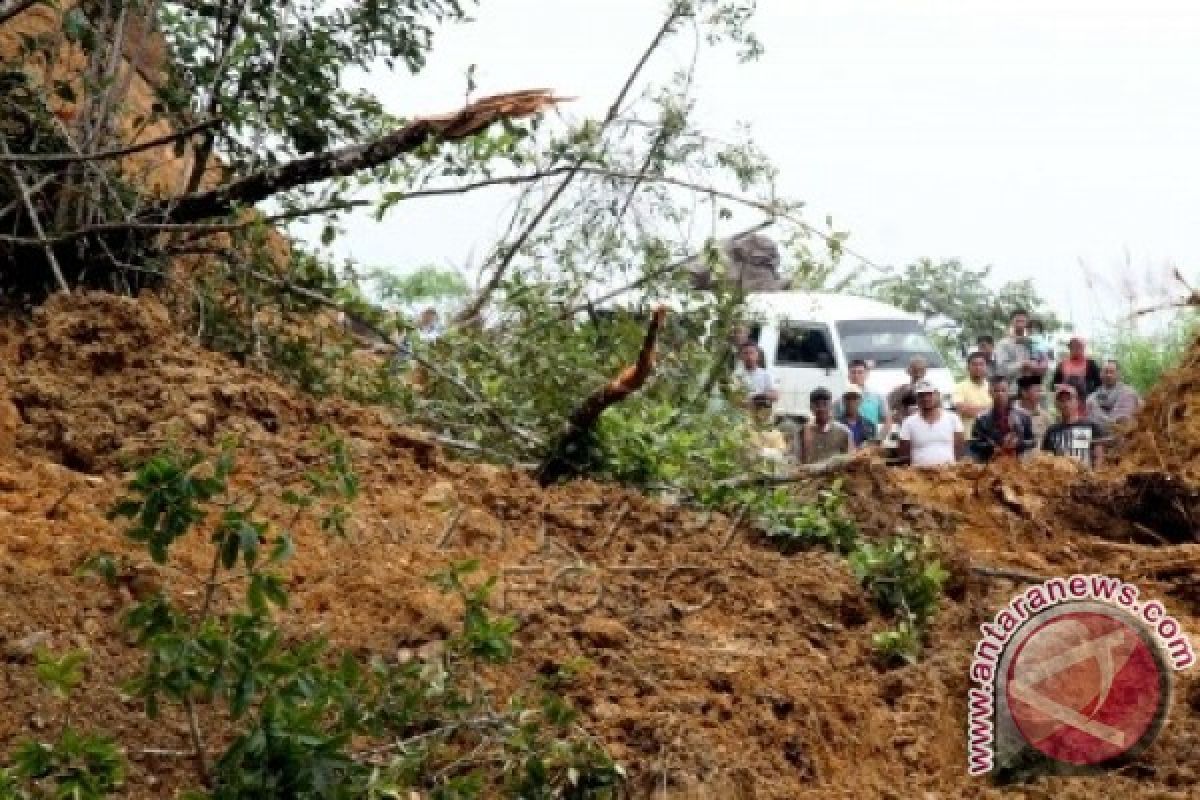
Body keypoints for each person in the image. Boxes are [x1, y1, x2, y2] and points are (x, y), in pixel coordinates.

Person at [968, 376, 1035, 462]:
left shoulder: (1023, 415)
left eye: (1003, 390)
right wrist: (992, 446)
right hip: (991, 464)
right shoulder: (981, 418)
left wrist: (1019, 443)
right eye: (996, 390)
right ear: (990, 392)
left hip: (1018, 463)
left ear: (1009, 392)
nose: (1000, 394)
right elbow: (974, 444)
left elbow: (1032, 441)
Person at [898, 381, 965, 467]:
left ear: (937, 395)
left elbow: (960, 447)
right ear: (917, 398)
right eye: (921, 395)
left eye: (929, 394)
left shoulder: (952, 418)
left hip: (948, 474)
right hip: (919, 474)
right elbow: (904, 454)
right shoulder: (908, 422)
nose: (926, 398)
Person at [1042, 384, 1106, 468]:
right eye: (1062, 401)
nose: (1066, 404)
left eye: (1069, 399)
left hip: (1086, 478)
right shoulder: (1051, 431)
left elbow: (1098, 456)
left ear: (1077, 402)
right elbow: (1045, 458)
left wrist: (1096, 476)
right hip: (1060, 477)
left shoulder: (1091, 426)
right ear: (1056, 404)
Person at [794, 388, 854, 464]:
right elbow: (795, 459)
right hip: (807, 474)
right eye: (817, 405)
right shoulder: (802, 432)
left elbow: (850, 460)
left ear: (831, 406)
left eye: (825, 404)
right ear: (811, 408)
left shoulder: (844, 432)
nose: (821, 409)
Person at [835, 358, 890, 433]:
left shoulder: (877, 396)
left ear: (867, 374)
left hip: (870, 440)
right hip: (846, 441)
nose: (856, 375)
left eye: (860, 372)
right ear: (848, 375)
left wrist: (878, 440)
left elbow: (888, 420)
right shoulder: (840, 399)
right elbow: (833, 423)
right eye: (853, 372)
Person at [1050, 336, 1101, 416]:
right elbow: (1053, 385)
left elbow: (1099, 384)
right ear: (1069, 348)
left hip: (1086, 405)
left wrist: (1091, 396)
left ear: (1083, 348)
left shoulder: (1091, 364)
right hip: (1066, 405)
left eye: (1079, 346)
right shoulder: (1062, 364)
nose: (1076, 349)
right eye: (1073, 347)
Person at [1087, 359, 1142, 432]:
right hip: (1099, 438)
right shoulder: (1091, 398)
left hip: (1124, 437)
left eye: (1112, 372)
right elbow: (1092, 421)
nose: (1108, 375)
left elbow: (1123, 420)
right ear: (1100, 374)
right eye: (1106, 372)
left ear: (1118, 374)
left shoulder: (1129, 393)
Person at [996, 309, 1043, 382]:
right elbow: (1002, 370)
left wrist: (1038, 367)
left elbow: (1041, 366)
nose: (1020, 324)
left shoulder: (1033, 343)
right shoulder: (1003, 343)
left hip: (1031, 387)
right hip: (1012, 389)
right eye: (1017, 321)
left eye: (1023, 321)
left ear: (1027, 323)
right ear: (1011, 322)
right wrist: (1023, 364)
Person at [952, 352, 992, 438]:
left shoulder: (992, 386)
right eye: (974, 364)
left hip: (990, 438)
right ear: (968, 367)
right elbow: (963, 410)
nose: (978, 368)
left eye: (981, 364)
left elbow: (999, 410)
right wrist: (989, 408)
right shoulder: (960, 387)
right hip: (969, 438)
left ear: (986, 367)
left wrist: (975, 408)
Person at [733, 340, 778, 411]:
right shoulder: (735, 375)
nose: (749, 356)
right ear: (741, 356)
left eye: (752, 353)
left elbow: (775, 396)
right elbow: (732, 397)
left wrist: (760, 397)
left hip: (759, 415)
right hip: (740, 414)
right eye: (745, 353)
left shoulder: (766, 374)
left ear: (757, 355)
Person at [1015, 375, 1053, 443]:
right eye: (1037, 391)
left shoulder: (1045, 417)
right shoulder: (1010, 414)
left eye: (1040, 391)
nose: (1041, 394)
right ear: (1024, 393)